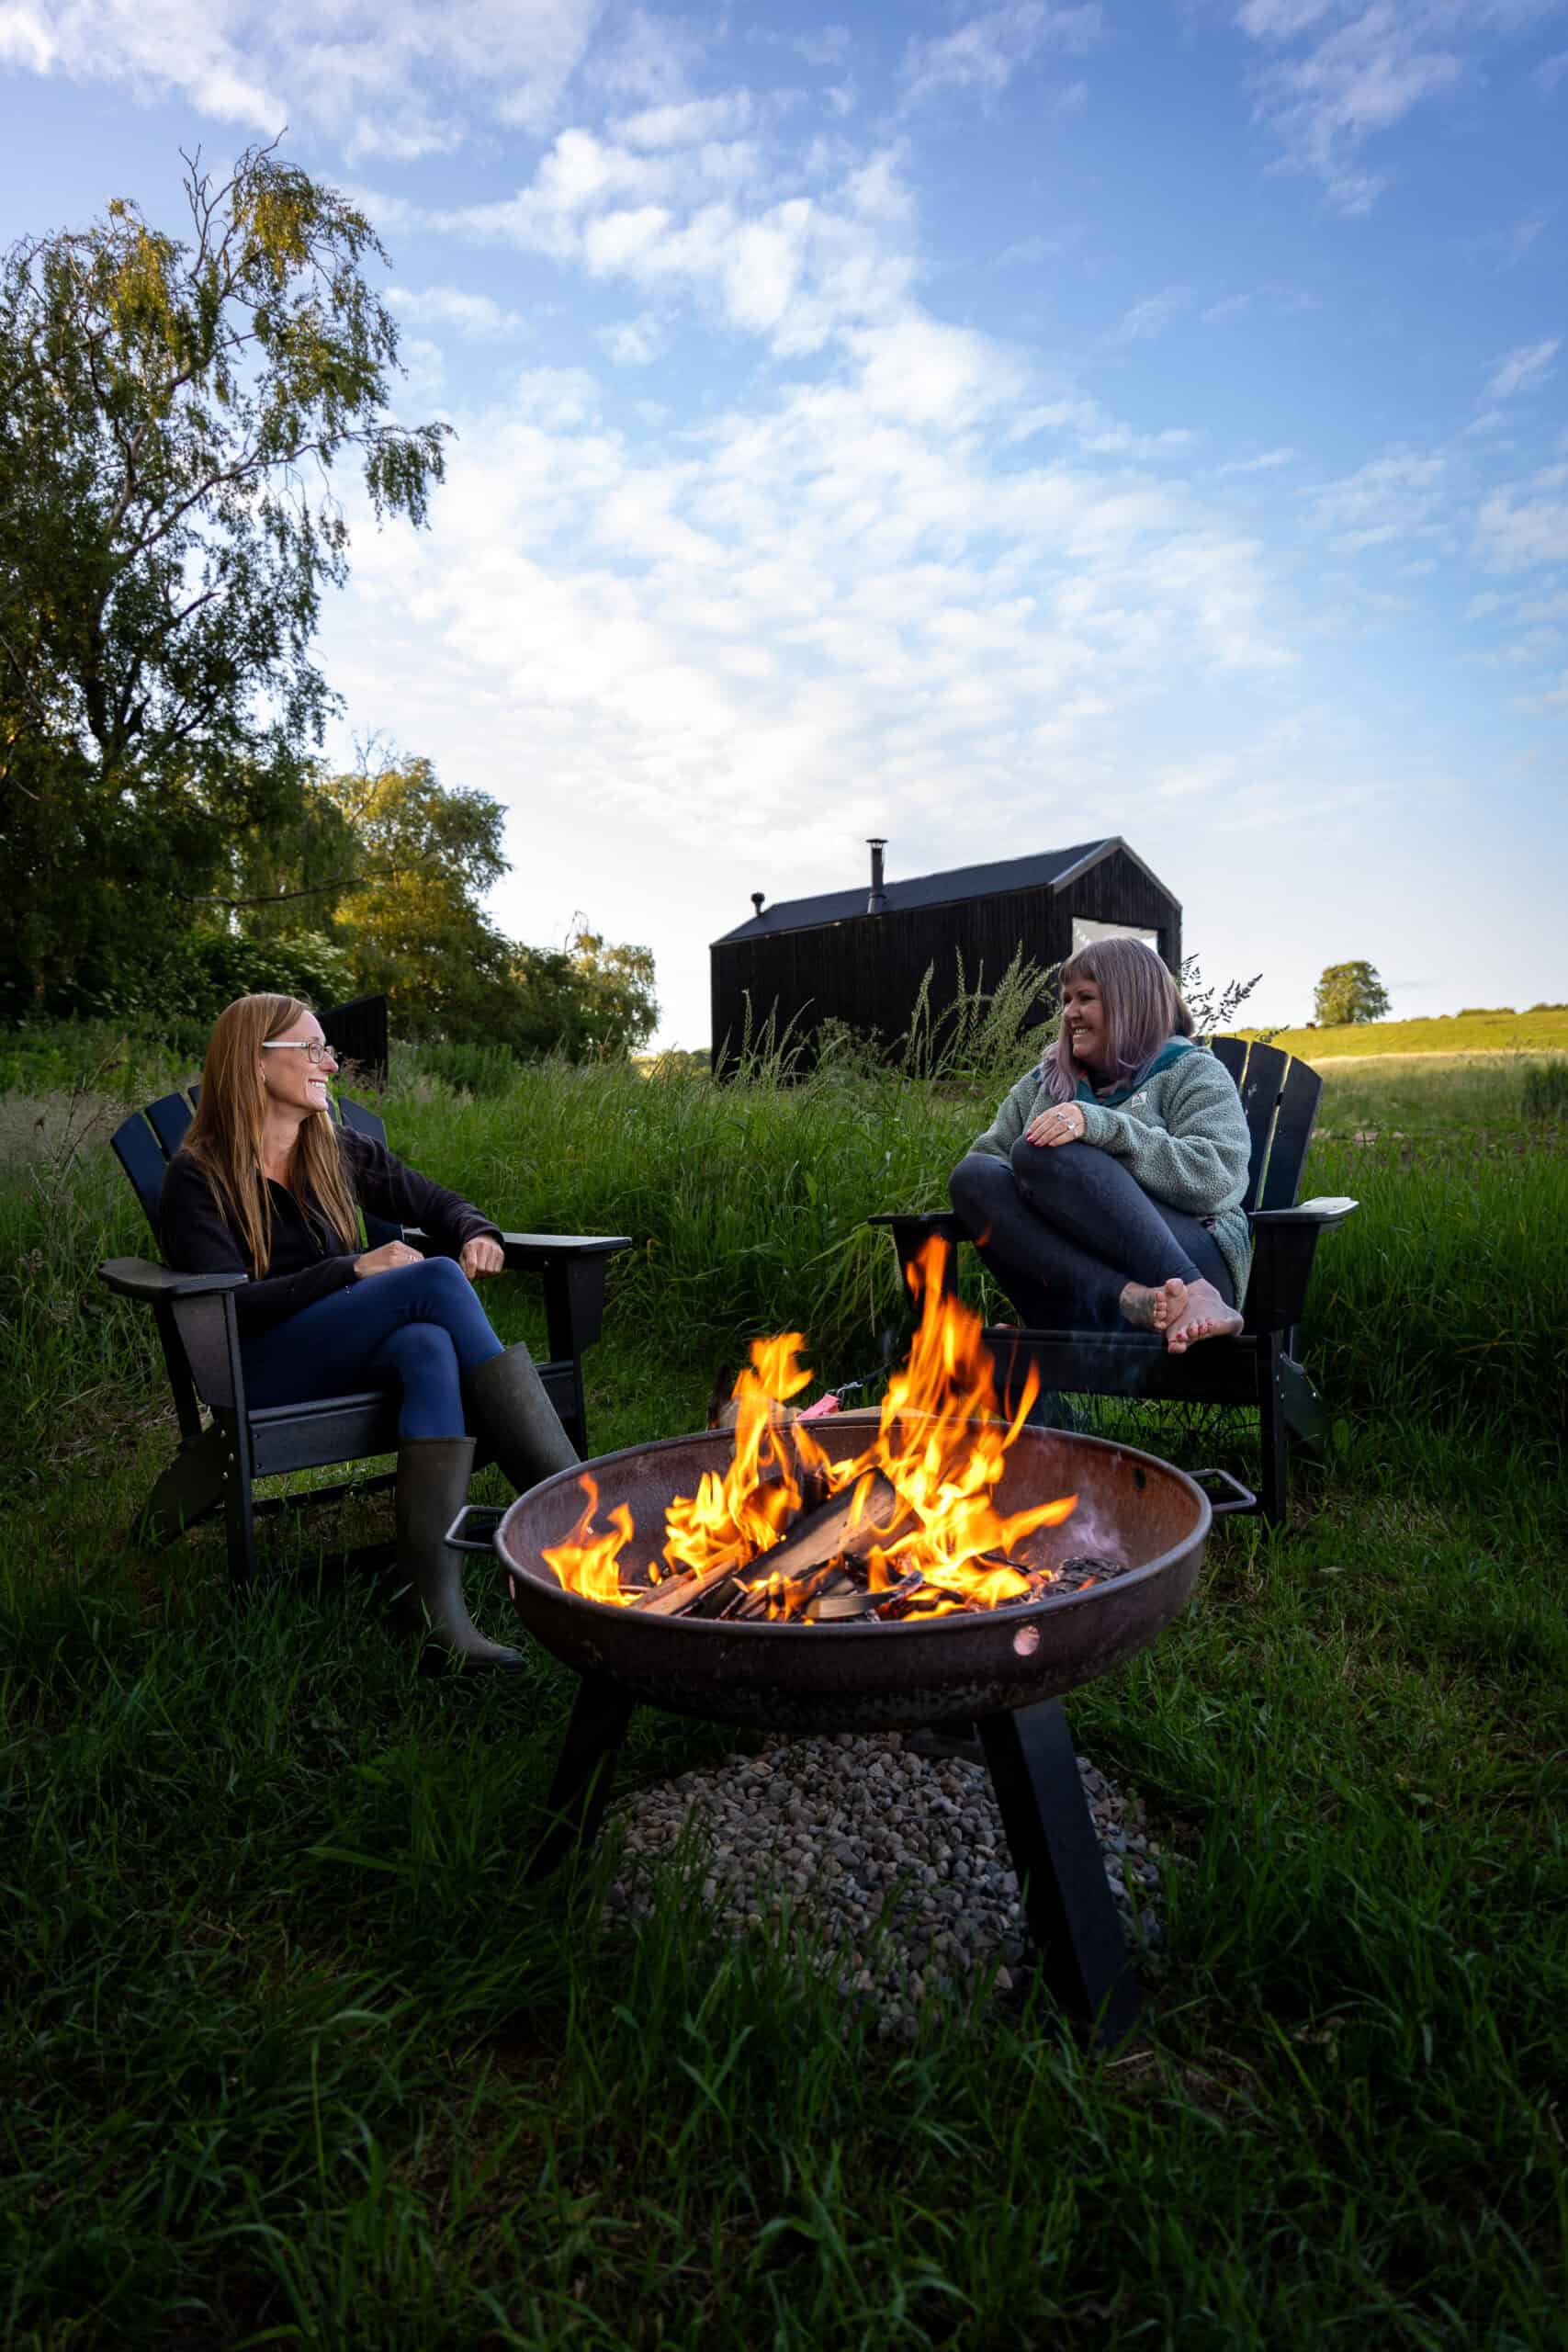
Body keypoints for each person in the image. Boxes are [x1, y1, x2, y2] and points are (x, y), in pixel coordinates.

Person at [160, 993, 578, 1666]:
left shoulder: (333, 1148)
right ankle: (577, 1511)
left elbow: (436, 1201)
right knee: (435, 1280)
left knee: (425, 1343)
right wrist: (351, 1270)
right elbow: (231, 1309)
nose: (329, 1063)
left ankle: (432, 1613)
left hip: (337, 1351)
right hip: (257, 1367)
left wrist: (476, 1231)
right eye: (312, 1049)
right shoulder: (197, 1178)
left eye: (328, 1049)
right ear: (255, 1062)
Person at [947, 937, 1251, 1351]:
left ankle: (1200, 1296)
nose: (1070, 1012)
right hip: (1092, 1292)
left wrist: (1100, 1125)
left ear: (1132, 1003)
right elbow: (988, 1176)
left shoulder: (1192, 1071)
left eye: (1086, 998)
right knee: (973, 1174)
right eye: (1066, 999)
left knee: (1040, 1148)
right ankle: (1127, 1299)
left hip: (1190, 1267)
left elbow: (1217, 1179)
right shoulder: (1046, 1084)